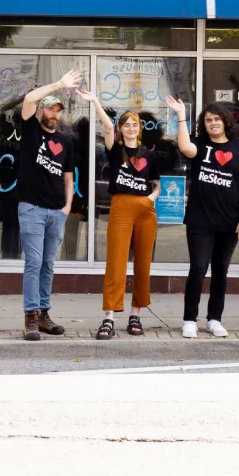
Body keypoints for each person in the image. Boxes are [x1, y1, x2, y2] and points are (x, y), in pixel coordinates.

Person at [165, 95, 239, 339]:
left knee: (220, 272)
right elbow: (185, 147)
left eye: (217, 119)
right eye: (208, 120)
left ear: (225, 121)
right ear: (203, 124)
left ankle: (215, 319)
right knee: (198, 269)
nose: (213, 123)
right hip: (200, 221)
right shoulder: (200, 145)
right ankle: (189, 320)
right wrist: (181, 116)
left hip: (229, 222)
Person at [77, 90, 158, 340]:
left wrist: (150, 199)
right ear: (121, 129)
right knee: (116, 263)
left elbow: (157, 185)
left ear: (140, 129)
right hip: (121, 206)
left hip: (145, 210)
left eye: (135, 124)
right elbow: (107, 126)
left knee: (143, 264)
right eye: (127, 125)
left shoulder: (150, 155)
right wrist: (96, 102)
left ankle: (136, 314)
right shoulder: (116, 151)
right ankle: (109, 317)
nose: (131, 128)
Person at [14, 69, 83, 341]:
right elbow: (29, 99)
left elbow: (68, 177)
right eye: (50, 109)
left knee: (48, 264)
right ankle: (30, 316)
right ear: (41, 111)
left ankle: (44, 314)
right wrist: (59, 84)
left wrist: (67, 207)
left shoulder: (65, 142)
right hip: (31, 208)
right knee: (33, 262)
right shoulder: (31, 130)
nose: (54, 115)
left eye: (58, 111)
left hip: (56, 212)